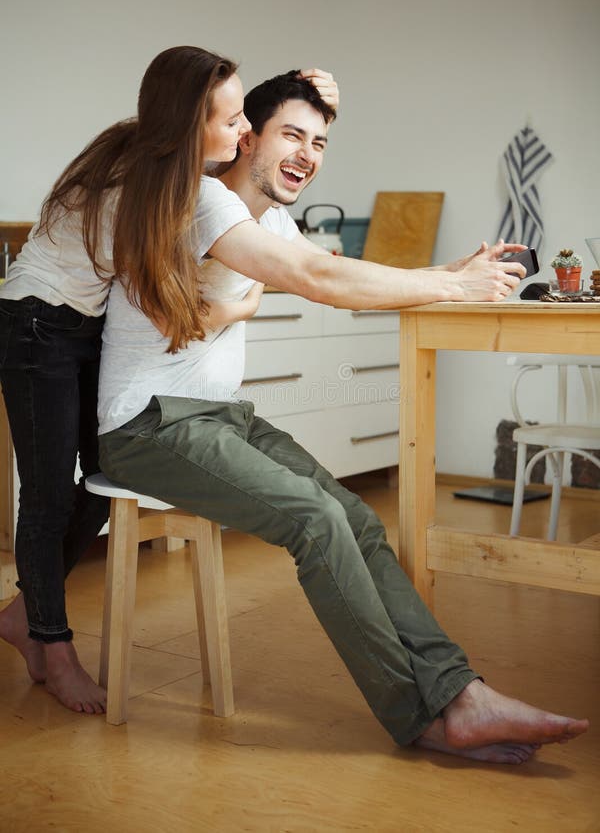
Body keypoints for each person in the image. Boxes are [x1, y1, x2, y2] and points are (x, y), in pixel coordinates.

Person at [97, 69, 589, 763]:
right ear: (245, 136)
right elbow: (322, 281)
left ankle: (461, 695)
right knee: (317, 520)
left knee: (355, 517)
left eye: (320, 141)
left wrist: (448, 272)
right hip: (146, 426)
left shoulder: (269, 217)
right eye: (291, 135)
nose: (308, 154)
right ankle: (418, 712)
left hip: (213, 417)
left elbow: (343, 274)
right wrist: (449, 287)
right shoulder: (204, 199)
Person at [0, 47, 318, 715]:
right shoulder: (147, 181)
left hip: (78, 326)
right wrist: (243, 304)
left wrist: (296, 91)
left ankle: (24, 614)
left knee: (95, 480)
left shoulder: (165, 159)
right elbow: (181, 317)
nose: (242, 134)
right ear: (187, 124)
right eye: (232, 121)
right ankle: (52, 646)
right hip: (37, 323)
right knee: (53, 494)